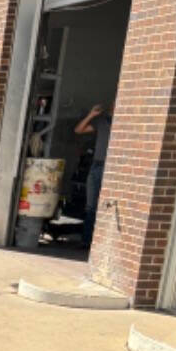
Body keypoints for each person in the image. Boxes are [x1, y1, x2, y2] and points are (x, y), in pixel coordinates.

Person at [75, 103, 112, 246]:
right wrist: (91, 115)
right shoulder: (101, 122)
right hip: (97, 165)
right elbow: (78, 130)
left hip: (110, 167)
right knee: (90, 206)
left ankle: (98, 242)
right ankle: (86, 241)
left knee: (104, 205)